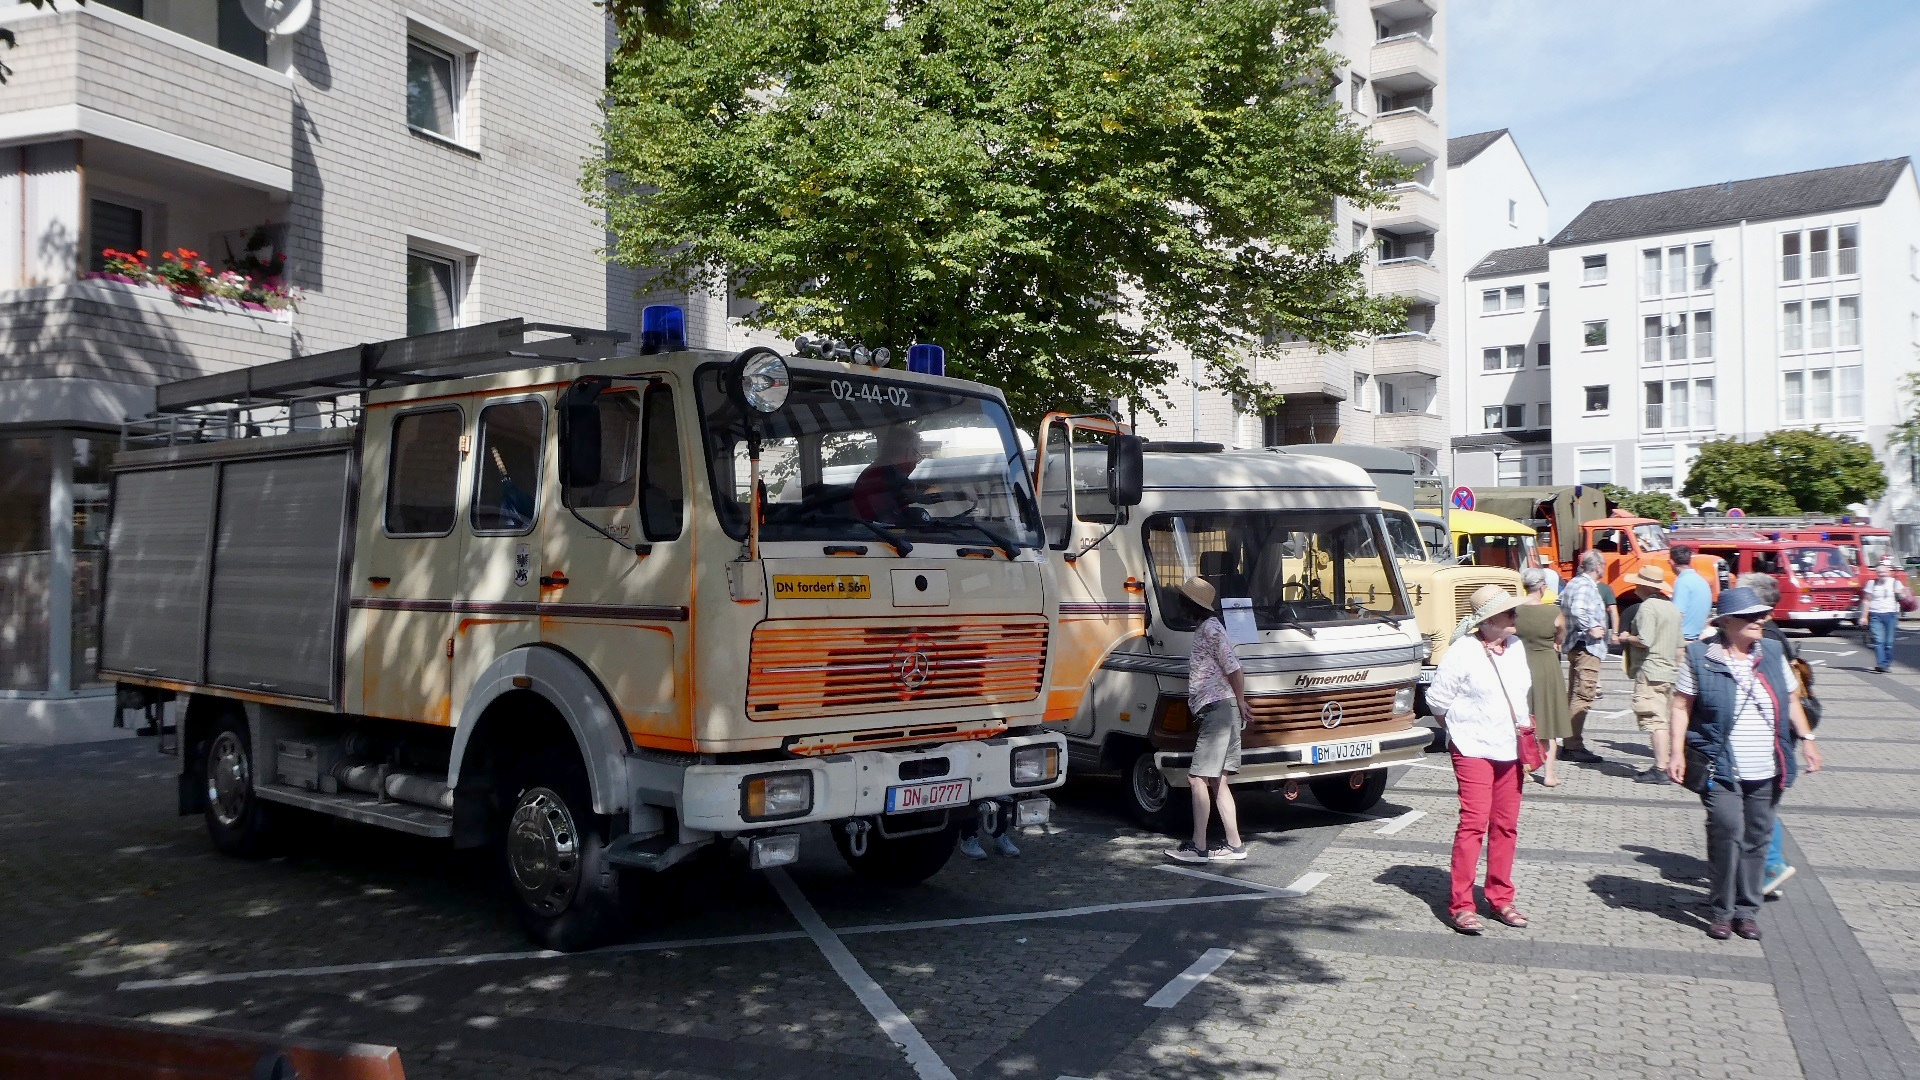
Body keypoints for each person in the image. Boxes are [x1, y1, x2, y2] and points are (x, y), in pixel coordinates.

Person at [1667, 587, 1822, 941]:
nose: (1761, 621)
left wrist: (1809, 740)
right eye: (1752, 616)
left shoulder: (1770, 651)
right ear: (1728, 622)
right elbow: (1681, 706)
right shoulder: (1700, 656)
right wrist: (1676, 752)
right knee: (1727, 832)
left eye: (1762, 614)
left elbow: (1791, 698)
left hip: (1768, 765)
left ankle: (1747, 911)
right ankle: (1721, 910)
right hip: (1720, 765)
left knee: (1757, 838)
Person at [1427, 584, 1534, 934]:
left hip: (1510, 748)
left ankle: (1501, 898)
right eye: (1508, 612)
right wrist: (1460, 731)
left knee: (1506, 825)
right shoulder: (1463, 651)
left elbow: (1520, 694)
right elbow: (1437, 702)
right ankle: (1461, 905)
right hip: (1473, 748)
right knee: (1473, 823)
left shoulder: (1516, 647)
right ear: (1487, 621)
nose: (1514, 616)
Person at [1735, 572, 1814, 897]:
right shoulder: (1769, 633)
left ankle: (1771, 865)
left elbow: (1789, 695)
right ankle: (1764, 865)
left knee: (1760, 807)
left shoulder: (1767, 639)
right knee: (1759, 806)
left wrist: (1808, 740)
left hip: (1772, 735)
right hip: (1776, 733)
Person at [1166, 577, 1252, 864]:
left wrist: (1240, 701)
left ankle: (1198, 846)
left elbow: (1234, 668)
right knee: (1218, 780)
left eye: (1182, 600)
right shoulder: (1210, 628)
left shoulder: (1210, 630)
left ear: (1191, 604)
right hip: (1224, 709)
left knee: (1196, 778)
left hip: (1217, 709)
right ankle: (1235, 845)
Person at [1617, 566, 1682, 784]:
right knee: (1668, 718)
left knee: (1655, 721)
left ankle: (1660, 768)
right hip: (1670, 670)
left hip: (1650, 669)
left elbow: (1645, 640)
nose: (1635, 586)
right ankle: (1671, 763)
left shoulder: (1647, 608)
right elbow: (1680, 647)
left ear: (1645, 586)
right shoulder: (1671, 608)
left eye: (1638, 583)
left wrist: (1626, 637)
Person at [1514, 569, 1571, 788]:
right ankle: (1549, 774)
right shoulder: (1553, 612)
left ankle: (1523, 769)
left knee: (1522, 719)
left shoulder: (1515, 611)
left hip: (1520, 664)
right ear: (1542, 587)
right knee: (1548, 721)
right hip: (1547, 666)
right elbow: (1560, 637)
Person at [1558, 550, 1609, 764]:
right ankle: (1573, 745)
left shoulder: (1575, 583)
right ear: (1597, 567)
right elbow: (1578, 610)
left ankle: (1571, 742)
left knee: (1576, 694)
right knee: (1583, 695)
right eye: (1604, 565)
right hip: (1586, 647)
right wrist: (1592, 627)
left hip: (1579, 646)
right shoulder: (1585, 585)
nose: (1604, 568)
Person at [852, 426, 926, 523]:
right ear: (908, 452)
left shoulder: (882, 472)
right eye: (916, 454)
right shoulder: (883, 477)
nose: (916, 461)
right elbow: (890, 522)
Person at [1859, 560, 1911, 673]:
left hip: (1891, 615)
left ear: (1888, 572)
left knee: (1888, 643)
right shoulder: (1871, 583)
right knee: (1878, 640)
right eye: (1879, 572)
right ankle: (1881, 664)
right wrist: (1863, 616)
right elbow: (1867, 600)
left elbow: (1903, 597)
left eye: (1883, 572)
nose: (1881, 574)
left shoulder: (1895, 582)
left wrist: (1900, 593)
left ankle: (1886, 663)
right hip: (1875, 615)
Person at [1671, 545, 1713, 643]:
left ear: (1672, 562)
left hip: (1684, 640)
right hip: (1699, 637)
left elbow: (1678, 614)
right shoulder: (1702, 580)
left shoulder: (1682, 581)